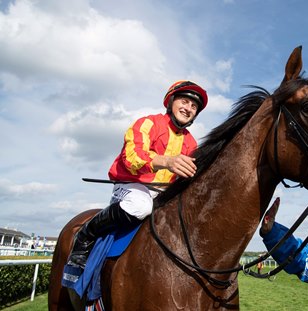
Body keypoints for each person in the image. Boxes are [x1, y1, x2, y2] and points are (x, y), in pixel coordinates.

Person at [67, 80, 208, 269]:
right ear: (171, 101)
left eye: (193, 106)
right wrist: (167, 161)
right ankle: (87, 232)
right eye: (184, 101)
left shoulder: (191, 143)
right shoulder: (148, 123)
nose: (188, 108)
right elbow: (131, 157)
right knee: (141, 206)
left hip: (163, 194)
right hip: (132, 185)